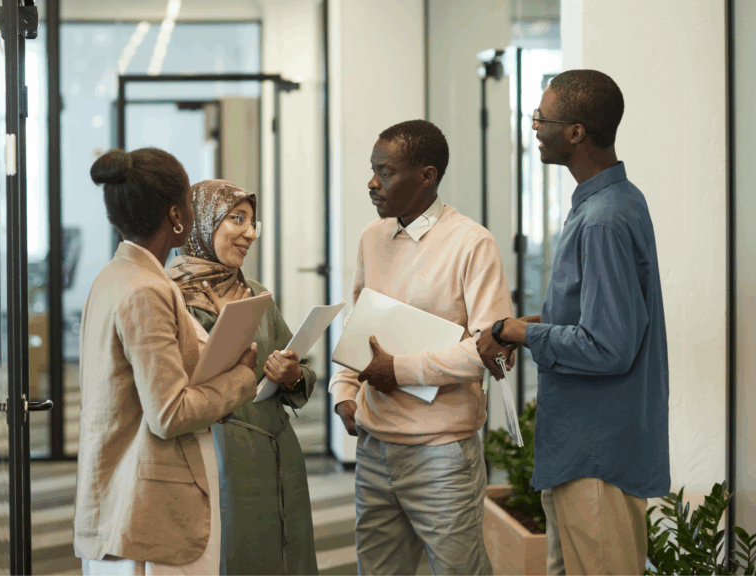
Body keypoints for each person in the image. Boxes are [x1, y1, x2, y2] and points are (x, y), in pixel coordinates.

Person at [478, 69, 669, 576]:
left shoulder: (604, 218)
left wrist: (517, 332)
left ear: (576, 131)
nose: (535, 126)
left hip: (596, 456)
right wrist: (523, 325)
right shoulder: (610, 202)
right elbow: (599, 317)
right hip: (582, 450)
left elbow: (609, 345)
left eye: (542, 117)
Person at [329, 120, 514, 575]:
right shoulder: (372, 239)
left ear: (426, 176)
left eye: (385, 172)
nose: (372, 184)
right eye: (373, 171)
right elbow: (358, 327)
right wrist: (344, 391)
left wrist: (401, 370)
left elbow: (492, 350)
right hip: (373, 449)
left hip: (442, 455)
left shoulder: (472, 242)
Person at [75, 149, 260, 576]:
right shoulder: (146, 289)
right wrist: (241, 378)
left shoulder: (115, 276)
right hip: (150, 505)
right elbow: (169, 412)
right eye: (191, 206)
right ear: (177, 215)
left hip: (123, 490)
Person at [166, 179, 319, 575]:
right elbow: (167, 392)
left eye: (253, 222)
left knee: (289, 553)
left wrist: (291, 375)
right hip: (219, 455)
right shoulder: (171, 298)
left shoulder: (255, 293)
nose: (250, 233)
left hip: (279, 451)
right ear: (203, 222)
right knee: (235, 554)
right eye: (237, 219)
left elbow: (300, 367)